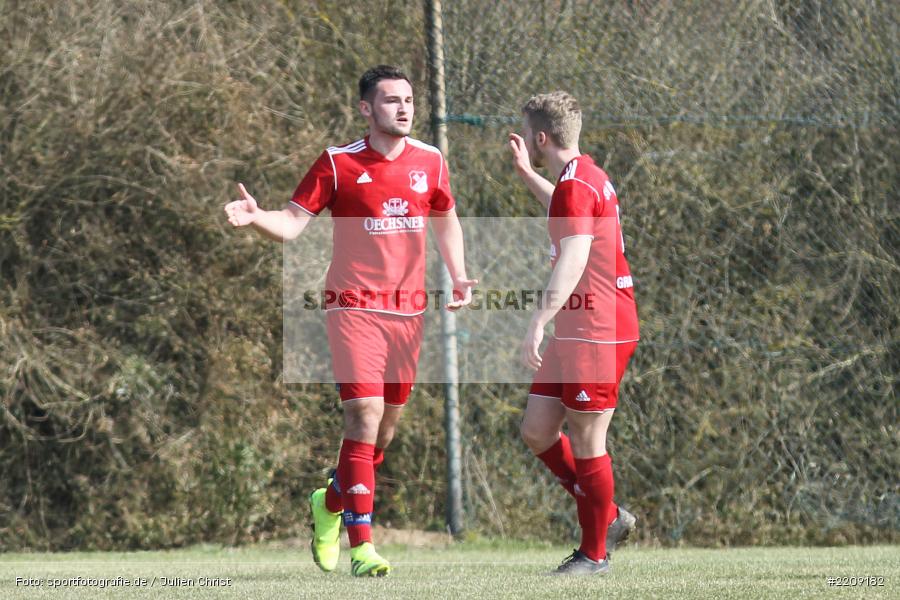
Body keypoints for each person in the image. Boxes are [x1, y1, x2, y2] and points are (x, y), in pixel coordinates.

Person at [225, 65, 476, 577]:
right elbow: (293, 223)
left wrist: (459, 273)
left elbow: (444, 215)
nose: (403, 108)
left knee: (381, 436)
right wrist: (257, 218)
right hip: (353, 305)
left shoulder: (430, 160)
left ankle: (331, 502)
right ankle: (363, 546)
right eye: (390, 101)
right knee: (362, 414)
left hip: (408, 312)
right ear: (366, 109)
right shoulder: (338, 164)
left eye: (408, 99)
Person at [508, 92, 639, 575]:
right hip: (580, 326)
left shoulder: (579, 183)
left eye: (529, 136)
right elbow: (566, 209)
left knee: (587, 439)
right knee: (538, 430)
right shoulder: (580, 178)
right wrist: (527, 175)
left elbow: (575, 254)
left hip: (599, 328)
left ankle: (595, 554)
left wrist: (538, 321)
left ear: (541, 137)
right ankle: (609, 517)